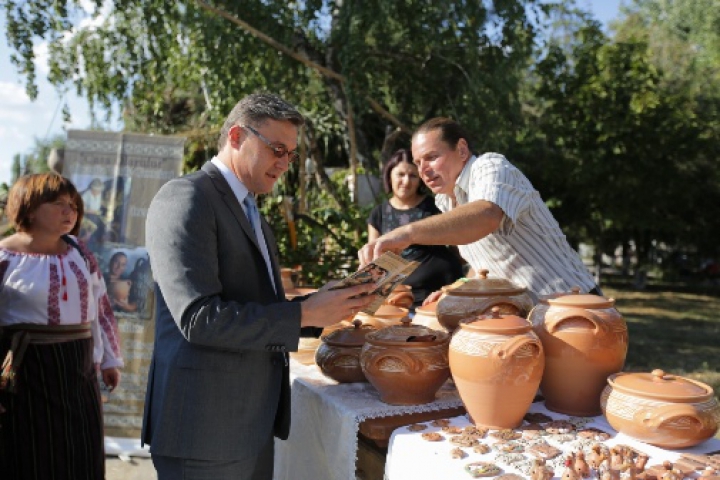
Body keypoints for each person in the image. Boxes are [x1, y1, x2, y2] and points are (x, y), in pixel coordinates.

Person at [142, 92, 375, 480]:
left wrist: (324, 303)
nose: (284, 164)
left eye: (291, 154)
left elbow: (257, 304)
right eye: (276, 149)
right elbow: (199, 318)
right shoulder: (185, 197)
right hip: (203, 434)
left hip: (249, 427)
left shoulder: (252, 213)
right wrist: (304, 312)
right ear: (236, 136)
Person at [359, 117, 599, 300]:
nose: (423, 170)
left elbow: (486, 215)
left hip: (574, 309)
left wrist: (406, 233)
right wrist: (456, 290)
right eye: (418, 163)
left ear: (462, 150)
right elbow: (484, 263)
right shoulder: (445, 199)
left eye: (431, 157)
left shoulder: (490, 166)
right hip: (530, 318)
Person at [0, 173, 123, 479]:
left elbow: (101, 307)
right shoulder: (4, 257)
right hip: (28, 370)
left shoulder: (80, 252)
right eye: (58, 204)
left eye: (73, 204)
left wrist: (109, 359)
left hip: (79, 370)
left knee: (81, 453)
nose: (71, 212)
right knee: (32, 455)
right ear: (29, 208)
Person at [367, 148, 464, 307]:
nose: (406, 181)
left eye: (412, 175)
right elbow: (374, 261)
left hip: (439, 296)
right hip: (397, 302)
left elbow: (458, 248)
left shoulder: (436, 206)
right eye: (401, 174)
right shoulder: (378, 214)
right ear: (389, 174)